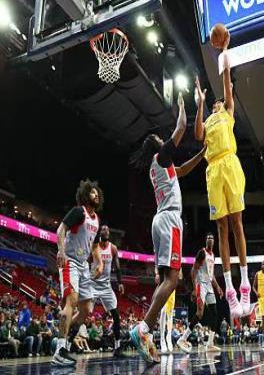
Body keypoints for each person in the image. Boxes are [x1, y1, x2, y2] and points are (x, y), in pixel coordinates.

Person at [130, 92, 206, 364]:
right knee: (173, 281)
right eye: (160, 140)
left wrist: (202, 154)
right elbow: (182, 127)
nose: (165, 141)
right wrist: (183, 105)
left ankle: (147, 334)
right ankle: (143, 329)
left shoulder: (162, 166)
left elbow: (182, 170)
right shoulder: (161, 157)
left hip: (160, 221)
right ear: (157, 146)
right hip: (170, 220)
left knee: (165, 281)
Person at [194, 33, 251, 319]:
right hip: (213, 169)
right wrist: (200, 103)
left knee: (237, 223)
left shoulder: (228, 113)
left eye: (218, 102)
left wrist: (225, 53)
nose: (217, 104)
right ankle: (229, 289)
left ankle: (244, 284)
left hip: (230, 164)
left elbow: (227, 84)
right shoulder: (207, 120)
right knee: (221, 228)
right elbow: (197, 135)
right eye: (214, 104)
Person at [52, 179, 104, 366]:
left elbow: (95, 246)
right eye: (92, 192)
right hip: (70, 261)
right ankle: (59, 350)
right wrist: (60, 251)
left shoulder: (97, 220)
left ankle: (63, 340)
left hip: (84, 265)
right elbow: (61, 229)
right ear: (84, 195)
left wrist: (99, 262)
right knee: (71, 301)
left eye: (97, 192)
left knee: (86, 310)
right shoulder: (78, 212)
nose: (95, 194)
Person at [178, 233, 223, 352]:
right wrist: (194, 288)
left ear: (214, 241)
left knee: (215, 313)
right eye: (208, 238)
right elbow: (193, 270)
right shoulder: (202, 253)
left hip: (209, 286)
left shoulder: (213, 255)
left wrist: (218, 287)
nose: (210, 239)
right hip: (201, 284)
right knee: (200, 313)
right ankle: (182, 338)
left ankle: (210, 343)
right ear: (206, 240)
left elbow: (212, 275)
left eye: (212, 238)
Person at [90, 224, 125, 358]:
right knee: (83, 313)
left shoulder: (113, 248)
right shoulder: (94, 246)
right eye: (103, 229)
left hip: (106, 286)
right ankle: (67, 346)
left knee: (116, 316)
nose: (106, 231)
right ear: (100, 232)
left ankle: (117, 347)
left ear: (109, 233)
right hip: (92, 283)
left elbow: (118, 268)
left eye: (107, 229)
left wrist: (120, 282)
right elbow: (87, 262)